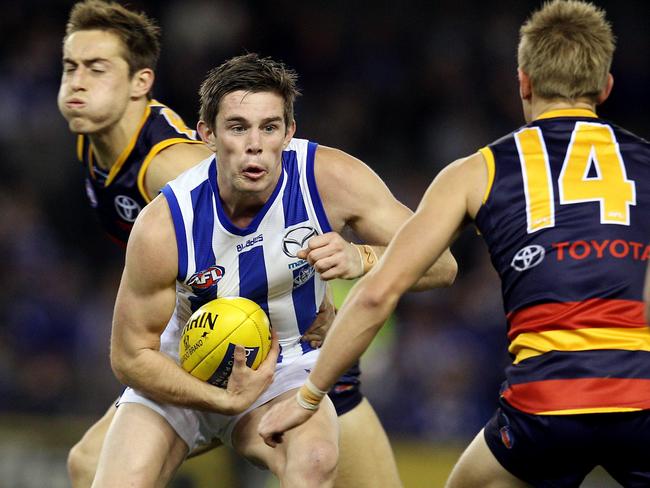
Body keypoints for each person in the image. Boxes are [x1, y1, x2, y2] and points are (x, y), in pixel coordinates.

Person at [259, 1, 650, 486]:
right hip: (642, 395)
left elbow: (380, 292)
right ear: (606, 87)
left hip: (547, 404)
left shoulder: (476, 172)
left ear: (523, 81)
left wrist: (308, 396)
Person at [90, 53, 456, 487]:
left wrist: (365, 258)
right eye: (238, 127)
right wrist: (220, 400)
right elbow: (130, 355)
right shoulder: (166, 223)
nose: (255, 144)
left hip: (285, 366)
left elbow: (443, 265)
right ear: (207, 134)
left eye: (270, 127)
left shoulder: (328, 179)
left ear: (289, 132)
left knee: (315, 458)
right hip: (185, 369)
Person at [57, 1, 327, 486]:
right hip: (215, 335)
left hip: (275, 351)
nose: (77, 82)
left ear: (140, 83)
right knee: (87, 462)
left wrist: (314, 291)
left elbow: (267, 202)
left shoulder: (170, 168)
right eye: (70, 67)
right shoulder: (96, 140)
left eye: (96, 69)